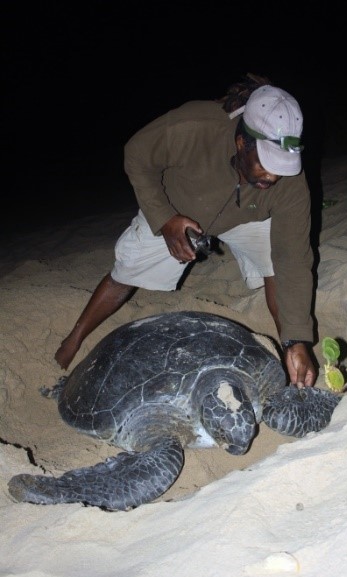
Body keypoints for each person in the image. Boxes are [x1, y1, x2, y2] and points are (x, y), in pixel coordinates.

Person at [54, 73, 317, 388]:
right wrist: (164, 217)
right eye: (265, 163)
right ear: (241, 141)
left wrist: (297, 338)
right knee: (126, 271)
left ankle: (287, 345)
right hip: (178, 211)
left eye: (282, 167)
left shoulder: (289, 183)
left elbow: (293, 259)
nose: (273, 177)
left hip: (247, 215)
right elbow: (136, 155)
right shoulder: (193, 127)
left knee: (279, 266)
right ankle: (74, 338)